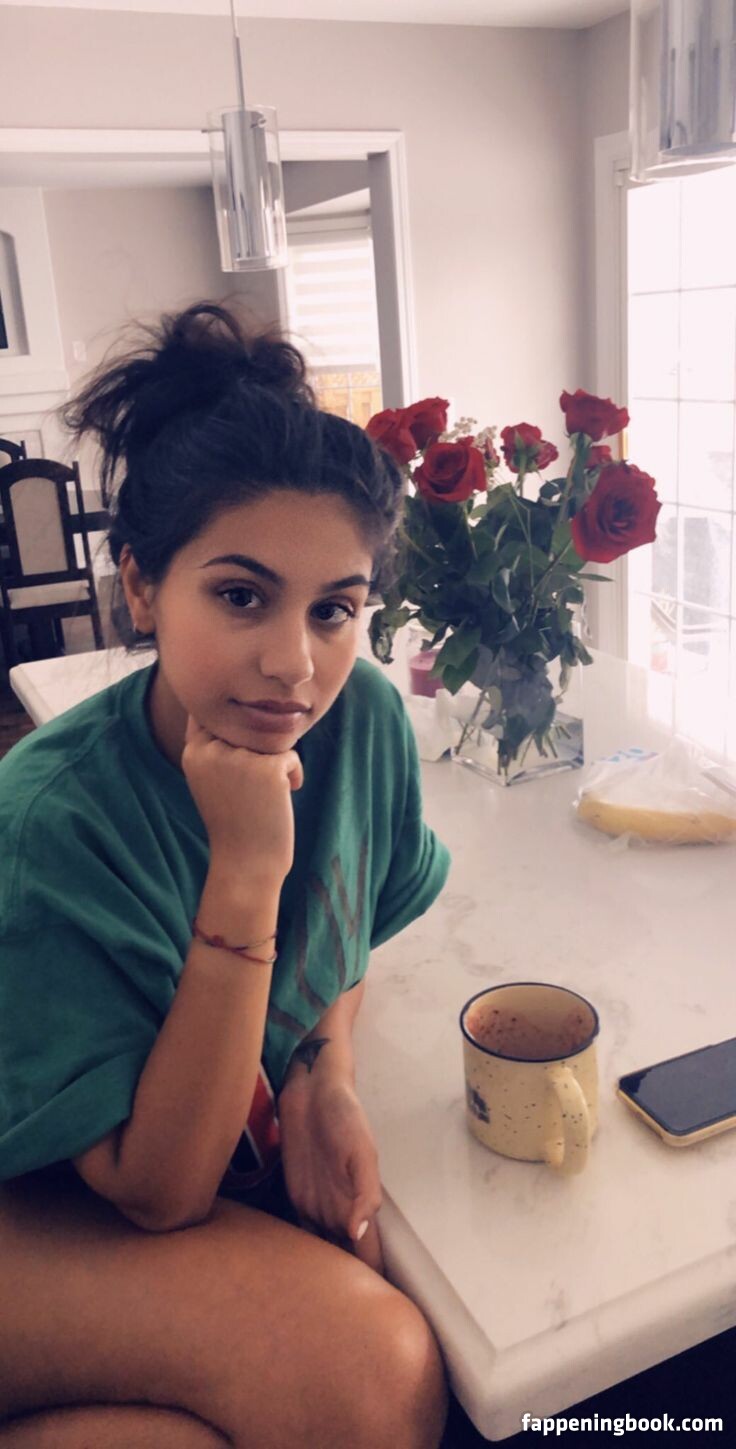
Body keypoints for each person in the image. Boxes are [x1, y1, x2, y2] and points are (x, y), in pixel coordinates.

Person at [0, 303, 452, 1448]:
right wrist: (246, 874)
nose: (294, 664)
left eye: (334, 609)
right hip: (39, 1193)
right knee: (371, 1377)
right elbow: (159, 1191)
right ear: (142, 586)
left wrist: (323, 1073)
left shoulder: (363, 727)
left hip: (154, 1188)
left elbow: (346, 936)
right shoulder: (49, 824)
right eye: (241, 595)